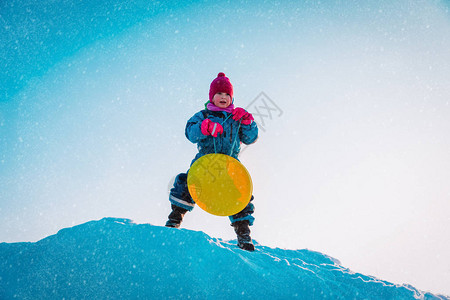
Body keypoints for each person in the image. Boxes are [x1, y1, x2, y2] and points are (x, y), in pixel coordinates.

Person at [165, 72, 259, 251]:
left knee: (240, 196)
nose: (223, 97)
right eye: (219, 94)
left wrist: (248, 122)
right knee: (187, 185)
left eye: (227, 94)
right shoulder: (203, 115)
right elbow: (190, 133)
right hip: (206, 165)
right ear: (212, 97)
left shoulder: (236, 118)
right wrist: (205, 127)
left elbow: (250, 138)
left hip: (228, 167)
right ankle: (174, 219)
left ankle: (244, 235)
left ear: (231, 98)